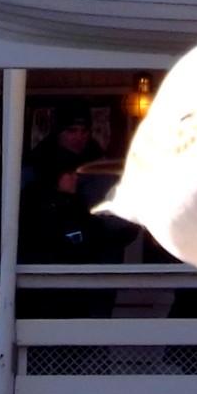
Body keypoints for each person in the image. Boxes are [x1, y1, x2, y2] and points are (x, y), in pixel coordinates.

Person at [21, 108, 118, 319]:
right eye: (72, 130)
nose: (79, 137)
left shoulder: (102, 169)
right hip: (48, 287)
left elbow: (111, 229)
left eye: (84, 130)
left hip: (97, 278)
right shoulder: (37, 196)